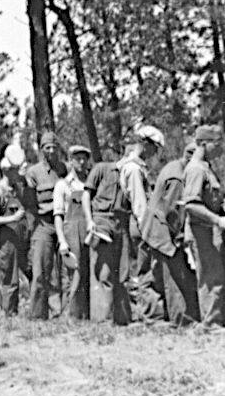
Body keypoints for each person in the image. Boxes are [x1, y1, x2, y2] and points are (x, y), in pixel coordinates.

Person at [183, 124, 225, 329]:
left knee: (220, 274)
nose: (219, 148)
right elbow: (190, 204)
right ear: (203, 144)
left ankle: (222, 319)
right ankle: (210, 324)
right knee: (210, 277)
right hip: (203, 231)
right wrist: (217, 220)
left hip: (214, 230)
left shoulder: (207, 168)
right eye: (216, 143)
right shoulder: (196, 169)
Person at [141, 140, 202, 326]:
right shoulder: (177, 176)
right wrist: (178, 238)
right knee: (174, 275)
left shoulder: (175, 167)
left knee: (156, 274)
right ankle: (181, 319)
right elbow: (172, 210)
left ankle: (156, 316)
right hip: (162, 230)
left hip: (155, 228)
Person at [83, 135, 139, 325]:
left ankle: (123, 318)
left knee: (123, 272)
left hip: (121, 224)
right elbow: (86, 195)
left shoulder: (132, 176)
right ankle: (103, 320)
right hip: (102, 222)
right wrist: (90, 221)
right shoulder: (102, 169)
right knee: (104, 272)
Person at [119, 125, 166, 322]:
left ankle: (152, 311)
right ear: (145, 145)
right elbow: (139, 204)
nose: (155, 153)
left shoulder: (136, 167)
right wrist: (148, 229)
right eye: (154, 148)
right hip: (141, 223)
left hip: (141, 222)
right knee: (146, 268)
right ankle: (151, 315)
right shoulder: (134, 169)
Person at [23, 132, 66, 320]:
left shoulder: (64, 169)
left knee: (64, 270)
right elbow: (29, 203)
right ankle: (38, 314)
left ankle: (64, 312)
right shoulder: (33, 172)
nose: (51, 151)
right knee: (40, 270)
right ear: (41, 150)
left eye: (54, 147)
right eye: (47, 147)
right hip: (44, 224)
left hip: (63, 223)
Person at [0, 146, 30, 316]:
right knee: (10, 279)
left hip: (21, 239)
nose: (18, 174)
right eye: (14, 171)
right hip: (7, 241)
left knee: (31, 271)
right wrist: (12, 219)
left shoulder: (17, 189)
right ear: (6, 171)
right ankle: (10, 314)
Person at [54, 145, 93, 320]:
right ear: (70, 161)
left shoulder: (90, 184)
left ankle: (90, 314)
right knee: (74, 274)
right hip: (71, 231)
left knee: (90, 272)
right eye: (77, 158)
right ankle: (72, 315)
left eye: (84, 158)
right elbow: (58, 215)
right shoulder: (63, 185)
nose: (82, 162)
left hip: (89, 229)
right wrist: (61, 240)